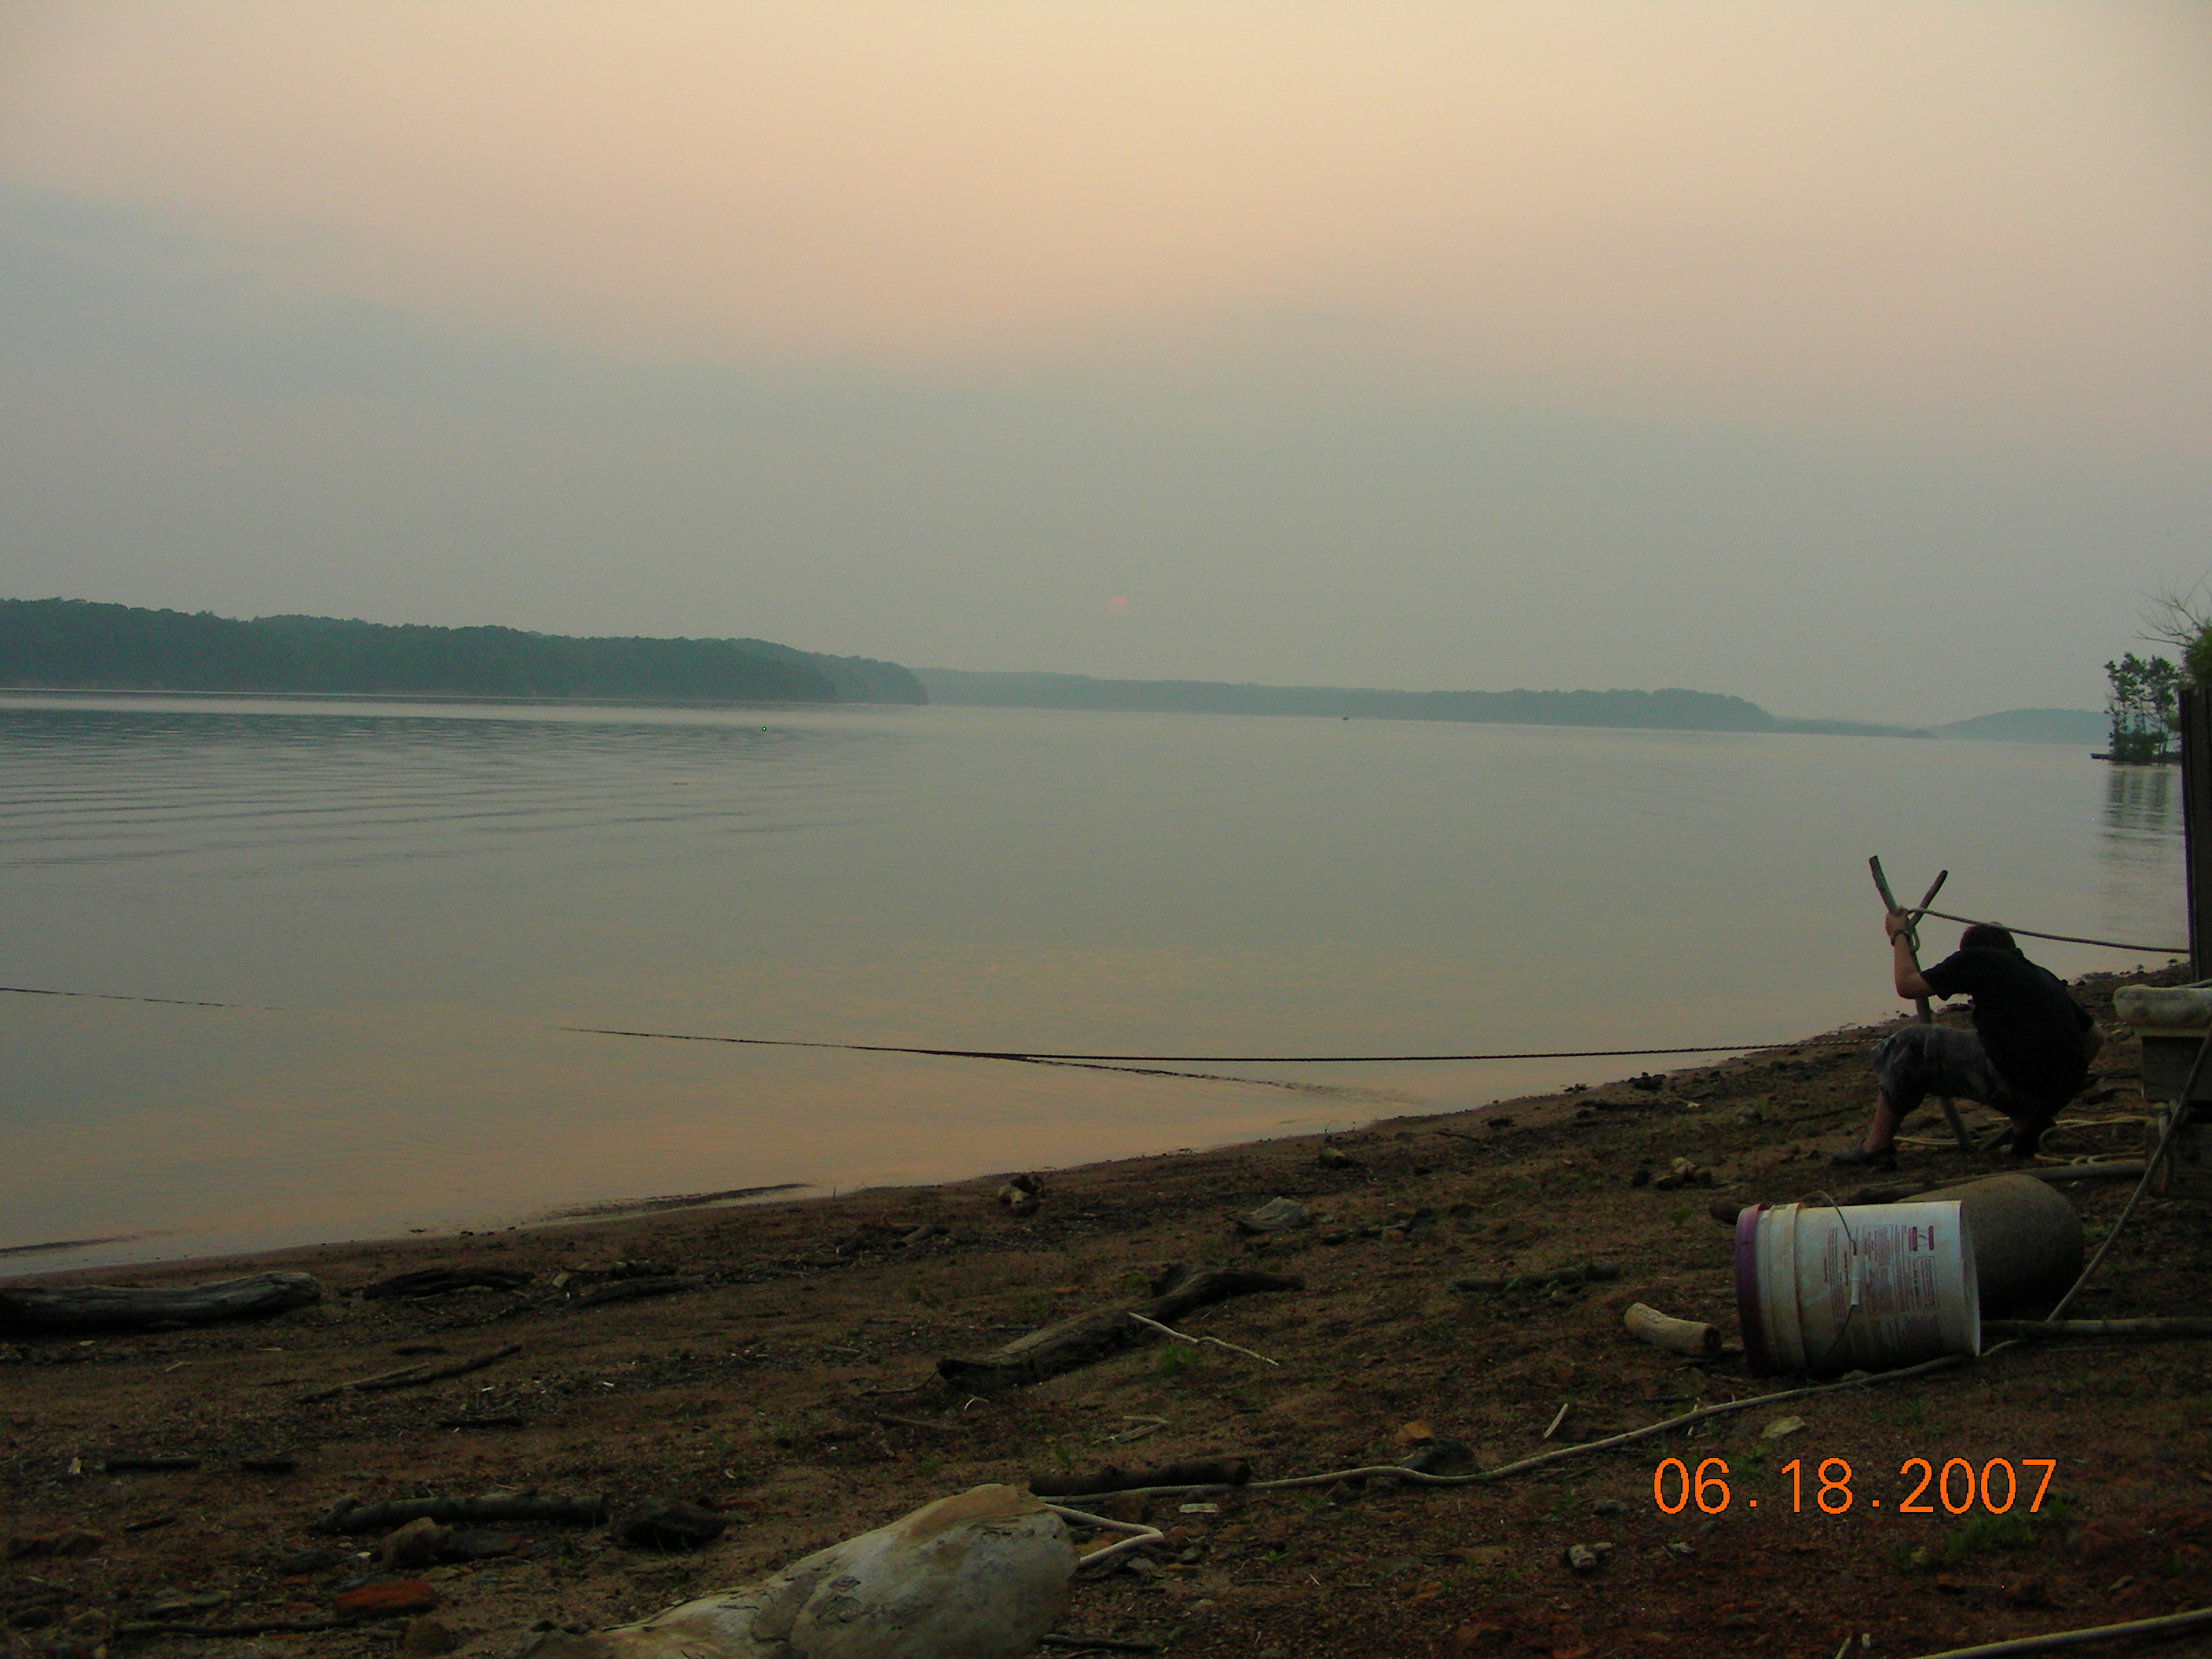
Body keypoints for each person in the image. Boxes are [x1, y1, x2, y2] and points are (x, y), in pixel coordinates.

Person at [1831, 914, 2103, 1169]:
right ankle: (2027, 1126)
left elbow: (1907, 985)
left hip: (2023, 1089)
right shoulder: (2039, 974)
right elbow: (2094, 1037)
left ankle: (1875, 1145)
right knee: (2008, 1049)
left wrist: (1898, 934)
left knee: (1911, 1042)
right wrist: (2053, 1085)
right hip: (2057, 1093)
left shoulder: (1981, 959)